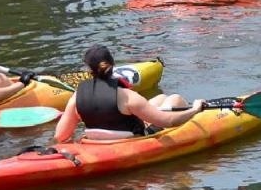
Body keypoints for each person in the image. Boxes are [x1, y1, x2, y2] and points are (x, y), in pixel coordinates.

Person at [54, 46, 202, 142]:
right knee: (175, 99)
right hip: (132, 140)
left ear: (88, 70)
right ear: (112, 65)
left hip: (95, 139)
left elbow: (60, 136)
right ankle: (193, 112)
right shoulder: (127, 96)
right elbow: (168, 122)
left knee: (161, 98)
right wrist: (194, 109)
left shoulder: (77, 96)